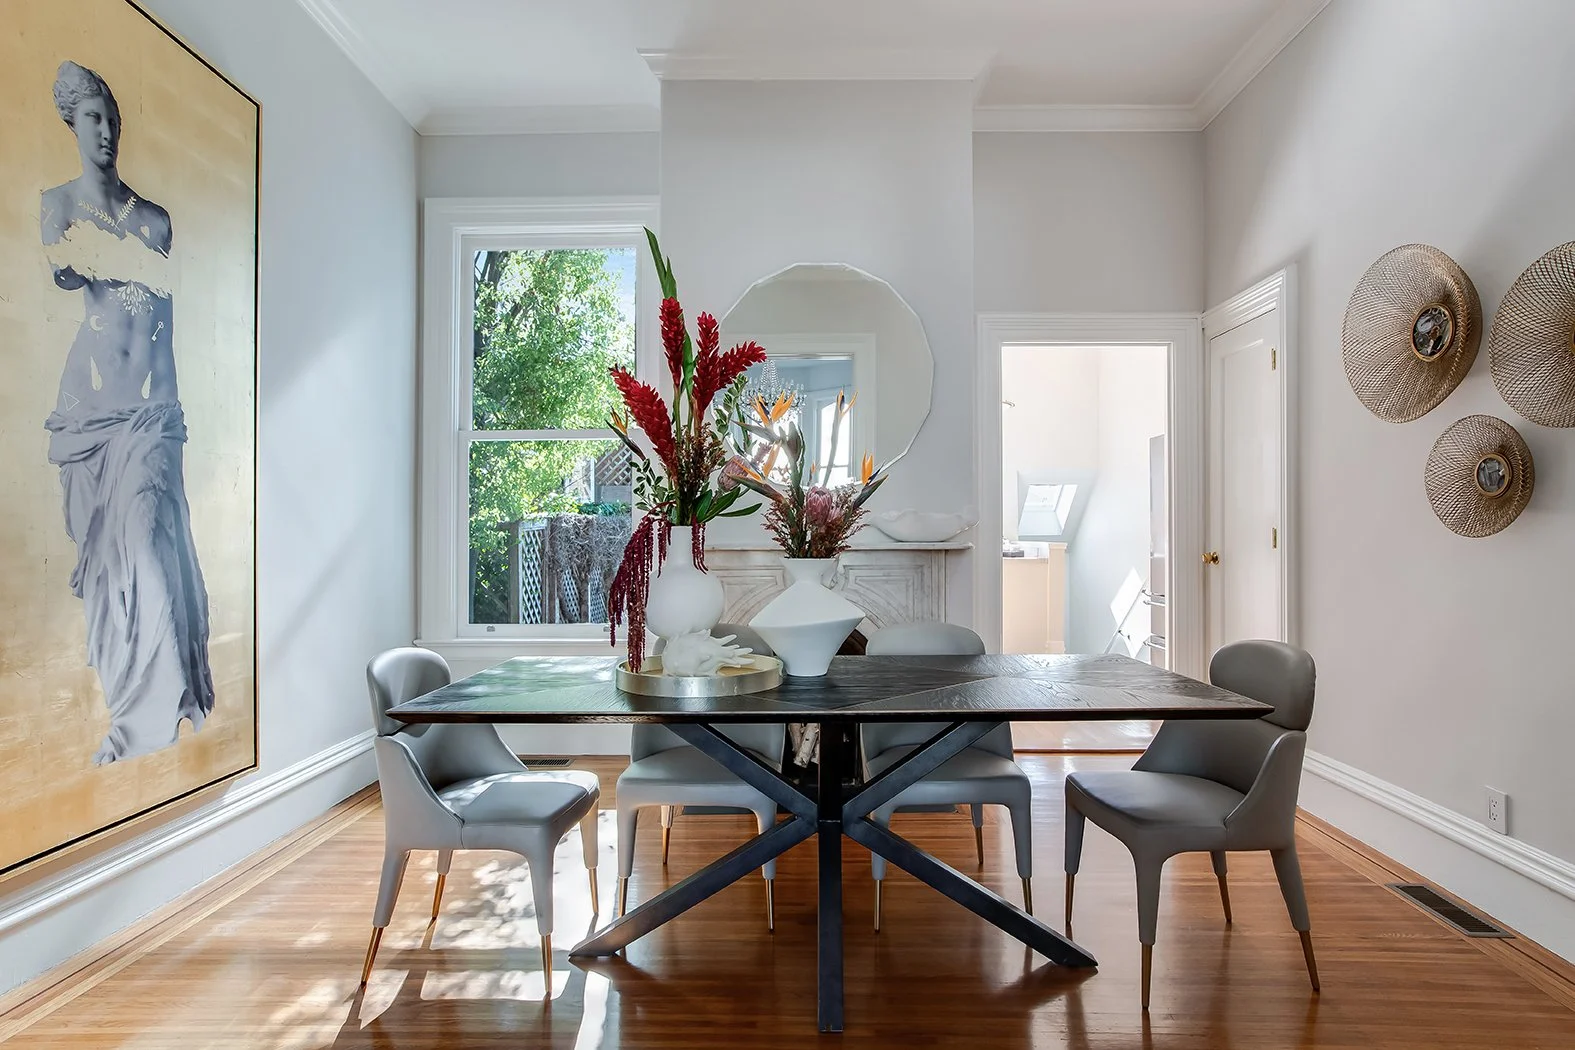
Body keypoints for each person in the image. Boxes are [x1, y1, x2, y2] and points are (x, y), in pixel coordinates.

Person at [41, 60, 215, 765]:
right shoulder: (58, 205)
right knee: (105, 565)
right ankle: (137, 695)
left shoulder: (154, 220)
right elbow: (63, 266)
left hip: (148, 415)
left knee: (145, 544)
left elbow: (164, 327)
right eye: (92, 118)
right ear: (73, 125)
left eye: (112, 118)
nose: (106, 131)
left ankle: (145, 718)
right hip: (87, 409)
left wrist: (171, 415)